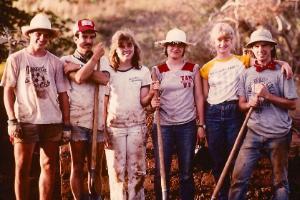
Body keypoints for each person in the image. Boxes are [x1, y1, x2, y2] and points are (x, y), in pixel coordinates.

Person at [200, 22, 293, 200]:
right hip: (222, 116)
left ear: (233, 41)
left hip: (249, 119)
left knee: (241, 164)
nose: (223, 43)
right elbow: (205, 98)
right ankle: (222, 196)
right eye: (219, 40)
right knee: (224, 165)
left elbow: (265, 62)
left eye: (227, 39)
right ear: (214, 42)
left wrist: (283, 63)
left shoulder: (244, 62)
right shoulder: (210, 68)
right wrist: (202, 124)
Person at [0, 13, 70, 200]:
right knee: (22, 166)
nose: (42, 38)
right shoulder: (16, 59)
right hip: (25, 120)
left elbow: (63, 94)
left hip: (51, 120)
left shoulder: (55, 62)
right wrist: (11, 120)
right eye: (38, 34)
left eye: (46, 35)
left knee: (48, 165)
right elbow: (8, 91)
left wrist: (67, 124)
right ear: (29, 34)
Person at [229, 28, 297, 200]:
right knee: (238, 180)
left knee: (280, 183)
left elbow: (293, 104)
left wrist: (269, 96)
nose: (261, 50)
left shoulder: (282, 72)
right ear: (252, 49)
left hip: (279, 134)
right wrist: (248, 104)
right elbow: (241, 104)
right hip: (253, 133)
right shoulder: (246, 74)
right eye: (257, 46)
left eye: (265, 45)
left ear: (271, 47)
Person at [151, 28, 205, 200]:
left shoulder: (193, 68)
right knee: (162, 171)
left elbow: (199, 97)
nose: (176, 48)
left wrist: (200, 124)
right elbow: (152, 99)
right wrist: (154, 101)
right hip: (163, 125)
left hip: (187, 125)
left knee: (186, 172)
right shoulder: (157, 70)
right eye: (172, 45)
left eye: (180, 45)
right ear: (165, 47)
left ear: (184, 48)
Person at [104, 29, 156, 200]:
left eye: (129, 45)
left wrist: (152, 93)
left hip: (136, 126)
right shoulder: (109, 72)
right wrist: (103, 127)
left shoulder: (142, 71)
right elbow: (104, 102)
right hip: (114, 128)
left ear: (135, 48)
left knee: (138, 171)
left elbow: (143, 101)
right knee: (116, 172)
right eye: (122, 46)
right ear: (115, 50)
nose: (126, 49)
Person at [61, 19, 110, 199]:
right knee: (77, 166)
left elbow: (104, 79)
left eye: (91, 36)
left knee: (95, 168)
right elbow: (81, 78)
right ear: (75, 38)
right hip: (77, 120)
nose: (88, 41)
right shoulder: (66, 60)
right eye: (84, 36)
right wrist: (93, 60)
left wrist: (83, 69)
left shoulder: (102, 62)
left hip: (97, 122)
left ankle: (95, 197)